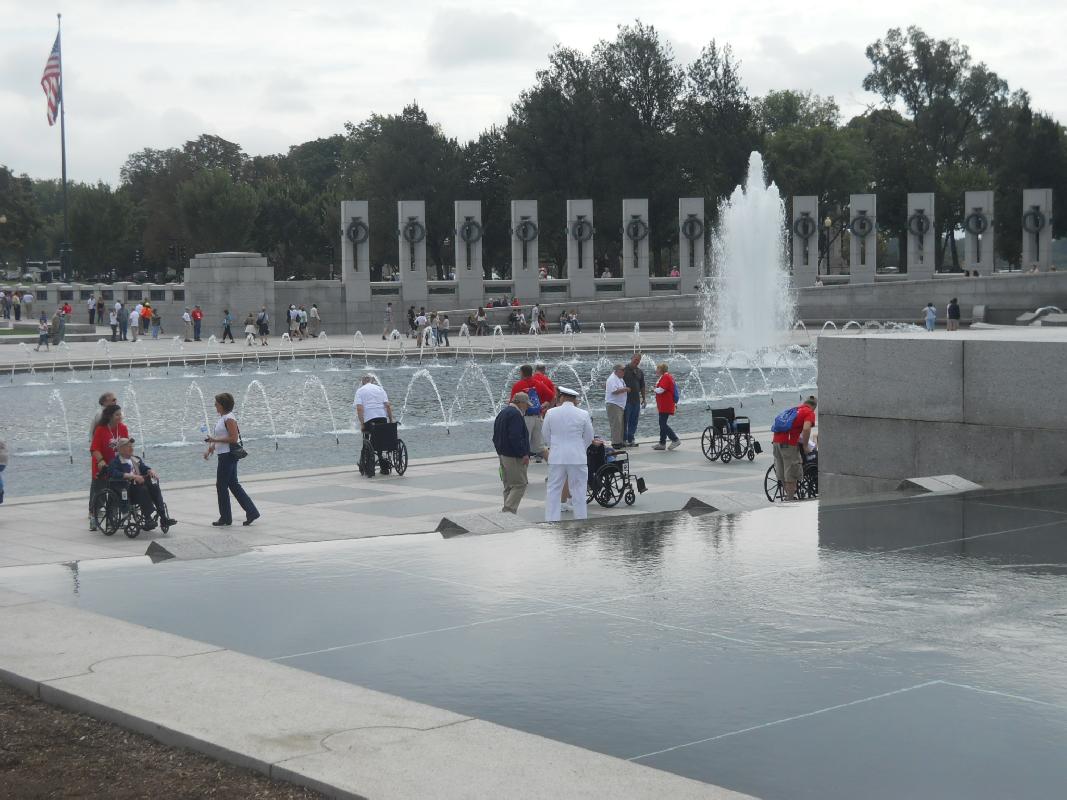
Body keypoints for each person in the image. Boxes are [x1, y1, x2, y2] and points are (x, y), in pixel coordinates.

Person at [203, 392, 260, 526]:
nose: (214, 405)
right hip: (224, 454)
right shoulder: (223, 418)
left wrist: (214, 440)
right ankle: (251, 511)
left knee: (221, 485)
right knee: (233, 484)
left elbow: (233, 438)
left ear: (222, 405)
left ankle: (226, 518)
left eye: (216, 403)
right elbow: (221, 437)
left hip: (228, 456)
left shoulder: (229, 418)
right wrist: (210, 448)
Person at [542, 387, 594, 522]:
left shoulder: (551, 413)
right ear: (574, 399)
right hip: (577, 457)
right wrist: (579, 448)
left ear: (562, 398)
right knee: (579, 491)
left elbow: (545, 435)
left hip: (557, 457)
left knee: (553, 490)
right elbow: (589, 437)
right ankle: (581, 520)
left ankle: (552, 521)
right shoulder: (583, 414)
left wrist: (554, 447)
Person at [108, 437, 177, 533]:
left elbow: (144, 468)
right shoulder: (116, 462)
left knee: (154, 486)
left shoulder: (135, 459)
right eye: (129, 447)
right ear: (121, 449)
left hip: (140, 485)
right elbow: (113, 473)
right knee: (143, 489)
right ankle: (148, 518)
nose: (132, 448)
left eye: (132, 446)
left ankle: (163, 517)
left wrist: (150, 471)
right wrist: (132, 476)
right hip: (127, 489)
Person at [89, 403, 129, 530]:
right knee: (99, 495)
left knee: (117, 493)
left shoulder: (123, 428)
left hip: (117, 467)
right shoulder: (101, 429)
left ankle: (113, 518)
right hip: (102, 467)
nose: (120, 416)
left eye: (120, 414)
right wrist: (100, 460)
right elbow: (94, 448)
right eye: (117, 415)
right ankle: (93, 517)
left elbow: (126, 446)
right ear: (110, 416)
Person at [771, 396, 817, 501]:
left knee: (781, 470)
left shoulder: (794, 409)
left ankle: (788, 496)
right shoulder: (809, 412)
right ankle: (790, 498)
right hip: (788, 443)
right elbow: (806, 428)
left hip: (776, 441)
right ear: (814, 407)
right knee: (791, 470)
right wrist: (805, 446)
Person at [493, 392, 531, 513]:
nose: (528, 407)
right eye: (526, 404)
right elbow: (515, 437)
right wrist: (523, 453)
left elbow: (495, 436)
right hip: (513, 456)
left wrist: (499, 452)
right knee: (520, 484)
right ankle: (508, 511)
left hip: (503, 454)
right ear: (520, 403)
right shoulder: (515, 415)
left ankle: (508, 513)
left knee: (509, 485)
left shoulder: (503, 413)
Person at [354, 375, 395, 477]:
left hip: (370, 419)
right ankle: (382, 459)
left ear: (363, 382)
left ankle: (366, 460)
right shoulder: (380, 389)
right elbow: (388, 405)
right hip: (382, 419)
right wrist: (390, 419)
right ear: (371, 381)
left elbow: (359, 408)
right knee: (380, 436)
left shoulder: (360, 391)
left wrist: (362, 424)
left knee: (366, 435)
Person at [510, 365, 546, 460]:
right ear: (531, 372)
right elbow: (552, 396)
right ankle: (551, 464)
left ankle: (524, 463)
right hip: (538, 416)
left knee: (525, 441)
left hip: (526, 417)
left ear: (522, 373)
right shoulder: (539, 383)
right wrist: (543, 408)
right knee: (540, 445)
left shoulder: (518, 385)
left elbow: (512, 403)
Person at [651, 363, 681, 450]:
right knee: (662, 423)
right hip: (664, 404)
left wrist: (653, 389)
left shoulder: (666, 377)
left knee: (662, 424)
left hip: (666, 404)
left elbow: (661, 390)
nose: (656, 370)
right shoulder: (665, 377)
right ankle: (662, 443)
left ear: (661, 369)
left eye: (658, 368)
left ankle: (675, 439)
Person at [623, 352, 646, 447]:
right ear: (631, 358)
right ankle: (623, 439)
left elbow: (642, 386)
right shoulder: (624, 370)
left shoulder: (640, 372)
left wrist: (644, 399)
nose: (636, 362)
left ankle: (631, 438)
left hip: (636, 400)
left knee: (634, 421)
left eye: (638, 360)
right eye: (635, 359)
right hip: (626, 401)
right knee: (625, 421)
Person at [605, 364, 629, 448]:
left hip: (619, 405)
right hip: (613, 404)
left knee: (620, 424)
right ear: (616, 370)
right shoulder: (612, 379)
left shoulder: (619, 379)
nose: (624, 372)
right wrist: (625, 389)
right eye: (622, 370)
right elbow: (614, 391)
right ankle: (615, 443)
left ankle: (620, 441)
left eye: (624, 370)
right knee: (616, 424)